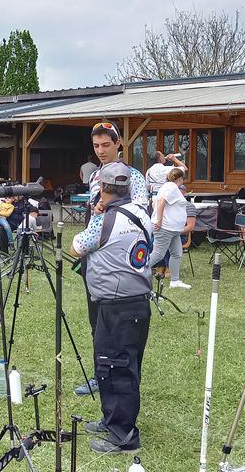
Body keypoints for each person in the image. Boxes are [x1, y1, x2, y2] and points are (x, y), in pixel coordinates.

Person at [70, 163, 152, 455]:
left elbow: (77, 247)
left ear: (102, 188)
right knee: (124, 366)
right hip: (137, 302)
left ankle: (123, 436)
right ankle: (112, 419)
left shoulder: (105, 221)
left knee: (115, 368)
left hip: (116, 304)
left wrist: (96, 214)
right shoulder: (142, 213)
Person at [76, 121, 149, 396]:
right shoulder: (95, 175)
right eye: (96, 146)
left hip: (120, 253)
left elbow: (141, 211)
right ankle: (101, 373)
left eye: (106, 145)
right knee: (96, 317)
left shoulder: (134, 175)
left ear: (118, 144)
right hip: (94, 250)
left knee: (121, 321)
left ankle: (127, 374)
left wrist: (109, 208)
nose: (101, 151)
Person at [150, 168, 191, 289]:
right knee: (158, 255)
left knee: (177, 253)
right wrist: (159, 220)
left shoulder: (168, 187)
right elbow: (161, 201)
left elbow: (155, 203)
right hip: (166, 228)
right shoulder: (171, 187)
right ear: (180, 178)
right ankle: (135, 273)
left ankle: (175, 281)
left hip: (173, 229)